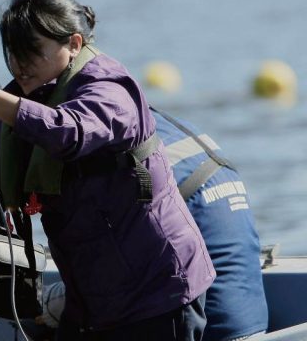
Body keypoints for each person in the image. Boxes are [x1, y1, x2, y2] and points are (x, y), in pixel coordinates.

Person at [0, 0, 216, 341]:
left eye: (32, 53)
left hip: (157, 292)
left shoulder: (108, 87)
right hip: (93, 298)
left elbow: (68, 132)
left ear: (74, 43)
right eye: (13, 53)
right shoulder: (21, 105)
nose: (19, 65)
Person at [31, 108, 269, 341]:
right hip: (253, 323)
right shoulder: (169, 127)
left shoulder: (110, 155)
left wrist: (43, 305)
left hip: (202, 325)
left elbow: (106, 281)